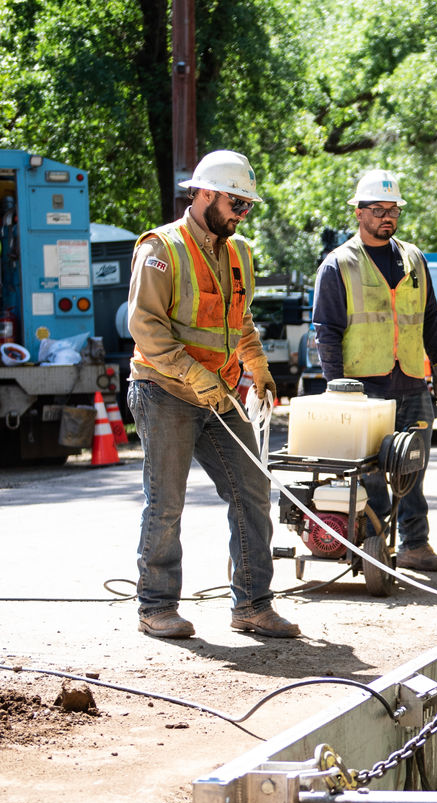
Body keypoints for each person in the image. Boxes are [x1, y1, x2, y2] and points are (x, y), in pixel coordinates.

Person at [127, 149, 300, 639]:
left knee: (251, 491)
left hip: (219, 394)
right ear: (204, 193)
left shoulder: (239, 252)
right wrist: (194, 376)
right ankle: (156, 606)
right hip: (164, 390)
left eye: (247, 206)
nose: (242, 214)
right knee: (166, 502)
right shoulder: (162, 249)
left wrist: (258, 366)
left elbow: (239, 319)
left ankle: (252, 605)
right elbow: (146, 328)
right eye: (235, 203)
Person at [312, 170, 437, 573]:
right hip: (363, 388)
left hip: (410, 381)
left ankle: (414, 544)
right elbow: (327, 331)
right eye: (378, 209)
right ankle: (374, 544)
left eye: (393, 210)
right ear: (358, 213)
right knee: (370, 474)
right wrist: (336, 387)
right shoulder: (339, 264)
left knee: (413, 467)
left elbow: (430, 317)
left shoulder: (414, 259)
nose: (386, 217)